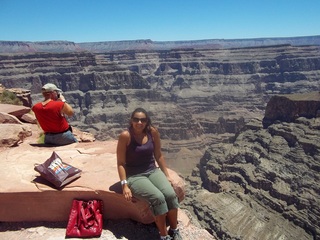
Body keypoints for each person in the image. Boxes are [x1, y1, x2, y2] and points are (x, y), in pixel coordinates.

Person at [116, 107, 183, 240]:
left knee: (170, 194)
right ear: (131, 120)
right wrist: (124, 185)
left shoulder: (153, 132)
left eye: (143, 120)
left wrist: (166, 175)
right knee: (157, 198)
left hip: (152, 170)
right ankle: (164, 236)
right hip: (135, 176)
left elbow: (158, 155)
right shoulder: (126, 136)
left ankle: (174, 230)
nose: (139, 122)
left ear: (147, 121)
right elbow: (120, 163)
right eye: (136, 119)